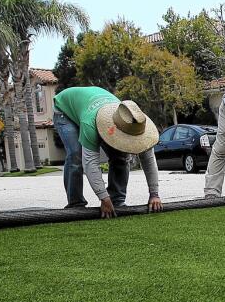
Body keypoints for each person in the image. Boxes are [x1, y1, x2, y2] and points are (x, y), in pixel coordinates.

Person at [52, 87, 163, 217]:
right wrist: (104, 198)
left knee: (121, 156)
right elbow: (90, 163)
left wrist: (154, 194)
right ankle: (75, 204)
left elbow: (149, 160)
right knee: (76, 155)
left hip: (90, 104)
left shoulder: (136, 123)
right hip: (65, 111)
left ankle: (117, 201)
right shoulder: (90, 123)